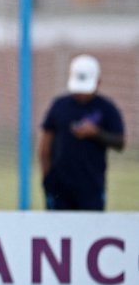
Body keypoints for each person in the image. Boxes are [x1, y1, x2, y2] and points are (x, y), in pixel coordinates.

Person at [39, 54, 125, 211]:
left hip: (92, 187)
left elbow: (120, 143)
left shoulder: (106, 108)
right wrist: (47, 180)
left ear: (98, 82)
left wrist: (96, 133)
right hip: (60, 187)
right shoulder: (59, 106)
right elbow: (45, 147)